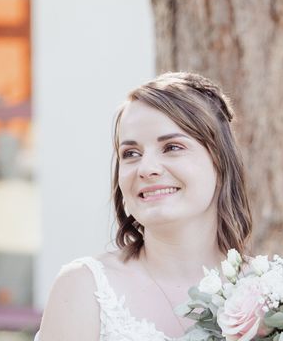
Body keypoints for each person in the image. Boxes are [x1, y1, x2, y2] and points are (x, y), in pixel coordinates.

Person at [36, 72, 253, 341]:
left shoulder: (274, 293)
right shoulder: (84, 290)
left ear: (220, 162)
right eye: (131, 154)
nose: (146, 168)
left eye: (172, 147)